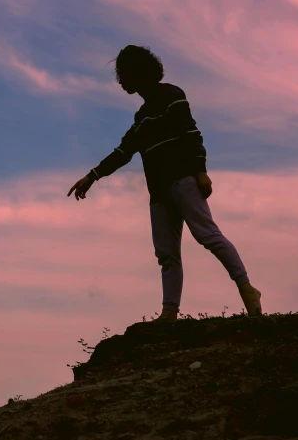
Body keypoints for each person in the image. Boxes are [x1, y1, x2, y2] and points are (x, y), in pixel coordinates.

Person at [67, 45, 262, 321]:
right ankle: (169, 312)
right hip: (158, 191)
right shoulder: (141, 118)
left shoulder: (173, 95)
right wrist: (92, 176)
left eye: (124, 74)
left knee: (207, 235)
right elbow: (123, 152)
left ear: (139, 73)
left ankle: (247, 289)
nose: (121, 81)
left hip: (183, 179)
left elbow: (191, 132)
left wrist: (200, 171)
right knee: (166, 254)